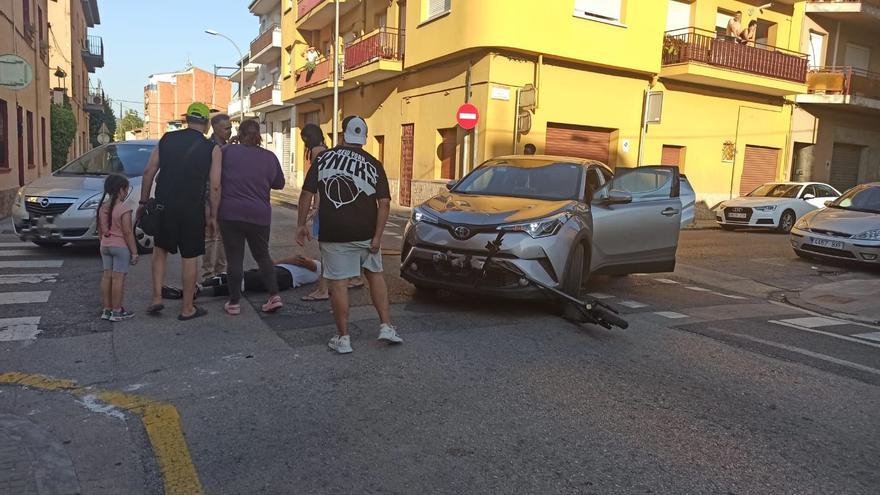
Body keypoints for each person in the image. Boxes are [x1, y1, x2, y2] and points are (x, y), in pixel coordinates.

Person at [296, 116, 403, 354]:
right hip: (366, 232)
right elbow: (384, 204)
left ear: (343, 134)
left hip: (334, 232)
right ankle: (386, 326)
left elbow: (306, 193)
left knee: (339, 283)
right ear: (364, 138)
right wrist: (377, 237)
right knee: (375, 275)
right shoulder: (374, 164)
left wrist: (301, 224)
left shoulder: (324, 158)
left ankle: (343, 338)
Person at [137, 102, 221, 321]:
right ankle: (187, 308)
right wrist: (213, 216)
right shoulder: (212, 148)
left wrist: (143, 202)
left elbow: (148, 172)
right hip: (192, 208)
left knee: (160, 250)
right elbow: (215, 186)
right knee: (190, 256)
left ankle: (156, 298)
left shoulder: (167, 139)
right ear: (206, 124)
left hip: (165, 205)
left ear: (186, 120)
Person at [218, 119, 286, 316]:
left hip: (230, 213)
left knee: (234, 258)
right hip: (259, 214)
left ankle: (234, 303)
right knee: (263, 256)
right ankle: (274, 296)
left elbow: (215, 174)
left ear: (239, 133)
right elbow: (279, 184)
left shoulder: (227, 152)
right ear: (258, 135)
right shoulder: (269, 157)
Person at [299, 124, 363, 302]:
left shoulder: (316, 152)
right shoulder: (327, 149)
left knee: (326, 248)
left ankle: (323, 289)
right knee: (346, 244)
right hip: (335, 201)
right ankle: (354, 277)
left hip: (325, 204)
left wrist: (315, 206)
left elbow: (319, 183)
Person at [98, 174, 139, 322]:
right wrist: (134, 252)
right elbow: (128, 232)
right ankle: (117, 311)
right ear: (121, 190)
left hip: (105, 245)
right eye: (126, 189)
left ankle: (106, 310)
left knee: (106, 277)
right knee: (118, 279)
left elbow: (100, 230)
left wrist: (103, 242)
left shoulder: (102, 207)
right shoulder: (124, 209)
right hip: (120, 247)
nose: (127, 192)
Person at [199, 254, 321, 297]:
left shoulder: (319, 266)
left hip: (286, 276)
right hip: (279, 271)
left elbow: (300, 259)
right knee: (240, 276)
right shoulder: (317, 270)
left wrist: (282, 260)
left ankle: (200, 291)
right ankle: (200, 287)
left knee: (243, 282)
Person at [202, 113, 233, 282]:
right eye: (226, 128)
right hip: (209, 197)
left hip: (226, 197)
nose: (230, 131)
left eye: (231, 127)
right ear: (215, 129)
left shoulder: (228, 146)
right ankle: (208, 274)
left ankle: (222, 272)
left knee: (223, 237)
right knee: (210, 237)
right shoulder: (208, 147)